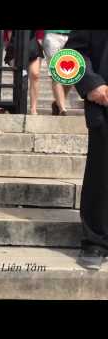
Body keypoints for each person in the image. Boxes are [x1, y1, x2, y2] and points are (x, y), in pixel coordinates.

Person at [64, 30, 108, 270]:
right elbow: (71, 53)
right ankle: (96, 242)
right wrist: (91, 83)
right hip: (104, 103)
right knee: (102, 174)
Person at [4, 30, 44, 115]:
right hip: (15, 44)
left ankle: (33, 108)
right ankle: (18, 106)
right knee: (18, 77)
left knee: (35, 74)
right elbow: (9, 33)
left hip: (32, 43)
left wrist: (40, 41)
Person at [43, 30, 72, 116]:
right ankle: (62, 109)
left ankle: (57, 103)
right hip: (52, 35)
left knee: (72, 75)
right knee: (56, 73)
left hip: (71, 36)